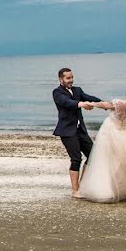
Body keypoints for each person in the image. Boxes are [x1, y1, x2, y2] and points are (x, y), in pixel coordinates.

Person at [52, 67, 103, 198]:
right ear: (61, 79)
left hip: (80, 130)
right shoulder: (57, 93)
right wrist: (82, 104)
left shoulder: (77, 90)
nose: (71, 80)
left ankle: (83, 185)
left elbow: (89, 98)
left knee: (93, 156)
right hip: (67, 131)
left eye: (72, 77)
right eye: (68, 78)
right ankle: (75, 190)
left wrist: (104, 103)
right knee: (76, 159)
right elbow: (67, 103)